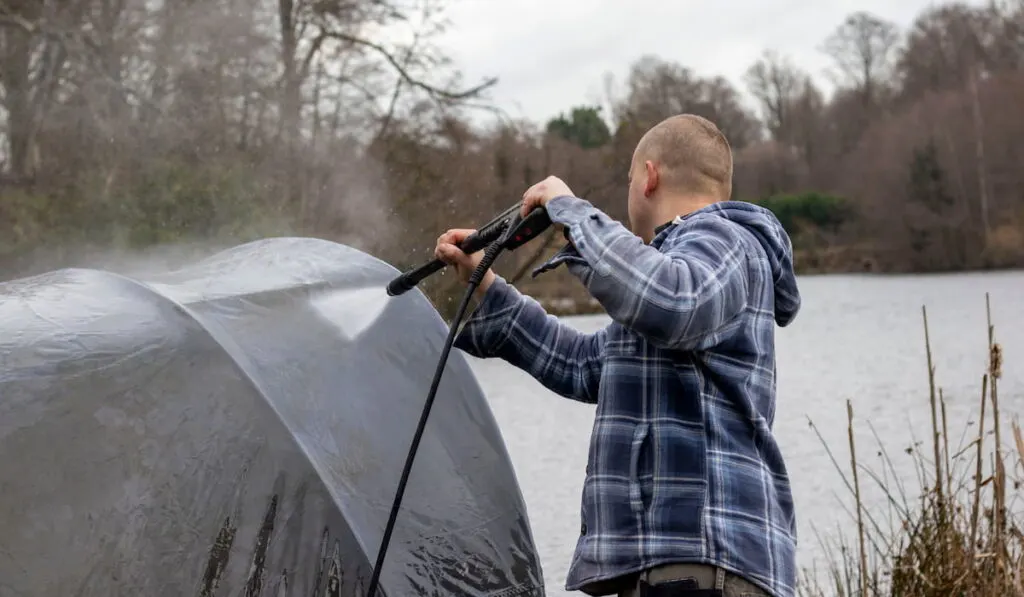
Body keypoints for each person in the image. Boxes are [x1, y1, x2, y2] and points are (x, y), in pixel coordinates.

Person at [434, 114, 802, 597]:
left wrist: (571, 211)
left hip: (704, 563)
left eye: (630, 179)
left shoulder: (729, 240)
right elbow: (582, 364)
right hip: (669, 570)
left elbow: (674, 301)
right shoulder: (671, 270)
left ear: (648, 177)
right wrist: (486, 286)